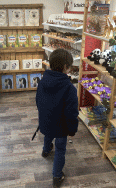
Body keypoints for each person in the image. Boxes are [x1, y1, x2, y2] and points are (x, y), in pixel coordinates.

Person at [36, 48, 79, 187]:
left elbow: (38, 101)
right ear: (66, 67)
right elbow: (72, 113)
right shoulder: (69, 88)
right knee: (60, 149)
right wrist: (72, 129)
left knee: (48, 134)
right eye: (70, 66)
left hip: (46, 120)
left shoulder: (43, 81)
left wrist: (43, 114)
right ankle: (57, 176)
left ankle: (46, 150)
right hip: (61, 127)